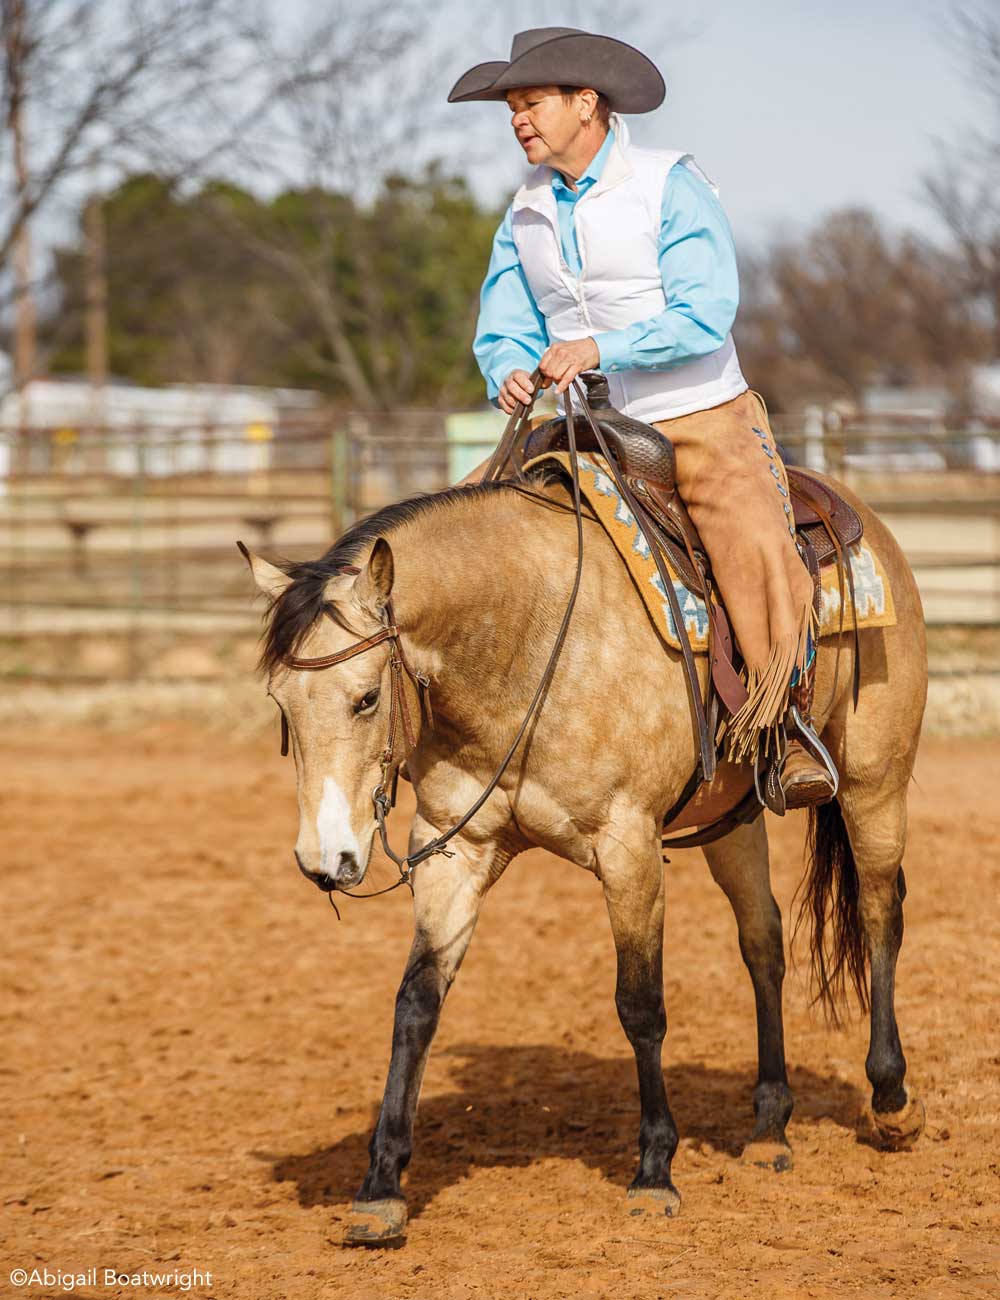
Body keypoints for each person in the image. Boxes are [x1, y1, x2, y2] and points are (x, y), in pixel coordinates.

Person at [448, 27, 835, 808]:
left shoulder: (669, 185)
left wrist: (599, 347)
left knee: (749, 532)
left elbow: (706, 312)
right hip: (577, 422)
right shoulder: (523, 212)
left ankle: (783, 723)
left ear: (585, 103)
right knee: (458, 522)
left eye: (531, 103)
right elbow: (507, 319)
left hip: (694, 414)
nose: (517, 120)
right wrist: (509, 369)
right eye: (512, 108)